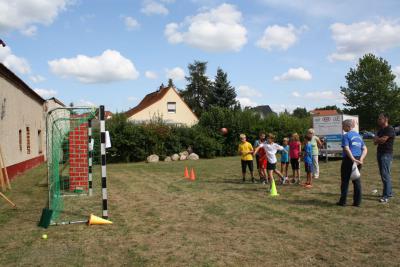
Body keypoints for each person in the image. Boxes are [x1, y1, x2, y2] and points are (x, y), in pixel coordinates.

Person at [337, 119, 368, 207]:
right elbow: (365, 149)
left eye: (343, 126)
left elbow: (346, 148)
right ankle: (357, 202)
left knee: (345, 181)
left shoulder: (346, 136)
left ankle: (343, 202)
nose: (342, 128)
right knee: (356, 180)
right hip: (358, 160)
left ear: (348, 126)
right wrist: (361, 159)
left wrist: (353, 159)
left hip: (349, 159)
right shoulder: (358, 136)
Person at [374, 113, 396, 203]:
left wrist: (378, 139)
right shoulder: (380, 130)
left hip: (386, 154)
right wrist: (378, 139)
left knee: (385, 174)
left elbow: (382, 140)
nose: (378, 120)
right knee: (384, 174)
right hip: (380, 153)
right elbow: (375, 142)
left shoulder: (389, 129)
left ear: (386, 119)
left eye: (380, 119)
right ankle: (389, 192)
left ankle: (386, 196)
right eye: (378, 119)